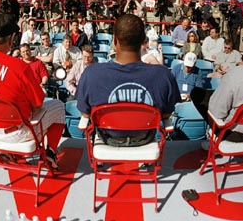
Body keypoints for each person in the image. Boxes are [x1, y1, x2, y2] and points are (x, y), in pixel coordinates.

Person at [0, 13, 65, 169]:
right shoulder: (19, 67)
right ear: (11, 40)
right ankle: (50, 152)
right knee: (58, 105)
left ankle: (9, 153)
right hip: (16, 134)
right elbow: (38, 104)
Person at [76, 14, 181, 147]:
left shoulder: (91, 73)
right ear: (143, 40)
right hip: (144, 137)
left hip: (108, 137)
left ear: (115, 40)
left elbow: (85, 113)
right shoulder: (163, 75)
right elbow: (166, 113)